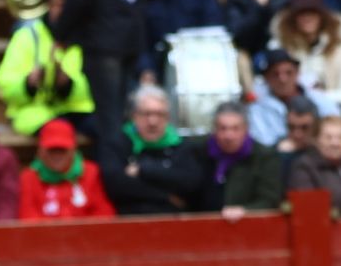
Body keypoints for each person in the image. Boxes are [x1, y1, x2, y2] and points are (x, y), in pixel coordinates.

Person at [51, 0, 149, 171]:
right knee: (121, 116)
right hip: (132, 39)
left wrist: (60, 32)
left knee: (109, 122)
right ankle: (127, 169)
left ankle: (114, 175)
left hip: (104, 42)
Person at [0, 0, 95, 137]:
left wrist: (68, 86)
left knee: (109, 131)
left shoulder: (90, 38)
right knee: (57, 131)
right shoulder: (26, 36)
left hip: (76, 110)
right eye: (53, 4)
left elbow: (99, 88)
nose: (58, 11)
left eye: (63, 6)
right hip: (35, 112)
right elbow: (5, 84)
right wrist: (27, 85)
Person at [101, 82, 204, 213]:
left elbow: (190, 183)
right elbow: (116, 185)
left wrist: (144, 170)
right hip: (129, 221)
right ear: (134, 116)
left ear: (168, 118)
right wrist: (166, 196)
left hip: (174, 222)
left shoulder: (181, 145)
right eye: (146, 114)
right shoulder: (118, 143)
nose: (153, 122)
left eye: (159, 114)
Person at [270, 0, 341, 109]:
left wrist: (314, 95)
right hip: (286, 110)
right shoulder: (279, 47)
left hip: (329, 112)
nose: (307, 18)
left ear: (322, 17)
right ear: (293, 18)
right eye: (301, 14)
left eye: (312, 13)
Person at [19, 113, 115, 218]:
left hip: (84, 234)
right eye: (51, 150)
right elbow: (28, 219)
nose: (57, 155)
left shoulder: (90, 172)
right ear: (40, 151)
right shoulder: (29, 178)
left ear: (73, 150)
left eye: (62, 150)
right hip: (45, 234)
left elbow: (104, 214)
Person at [200, 101, 283, 217]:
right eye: (223, 128)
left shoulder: (265, 157)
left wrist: (245, 211)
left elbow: (270, 199)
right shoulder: (201, 152)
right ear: (214, 129)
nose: (229, 136)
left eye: (235, 129)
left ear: (246, 129)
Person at [247, 47, 339, 147]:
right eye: (275, 74)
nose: (283, 79)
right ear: (266, 78)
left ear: (297, 73)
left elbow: (339, 133)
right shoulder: (256, 111)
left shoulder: (321, 100)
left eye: (288, 72)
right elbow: (263, 145)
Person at [141, 0, 221, 81]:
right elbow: (141, 36)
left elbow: (213, 27)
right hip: (158, 63)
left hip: (196, 61)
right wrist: (146, 67)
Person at [224, 0, 299, 57]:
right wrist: (257, 7)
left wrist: (266, 6)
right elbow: (237, 33)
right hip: (250, 51)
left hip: (285, 47)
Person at [274, 93, 317, 183]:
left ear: (315, 126)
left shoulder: (328, 150)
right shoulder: (275, 153)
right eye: (291, 127)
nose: (297, 134)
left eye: (305, 128)